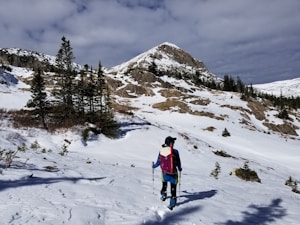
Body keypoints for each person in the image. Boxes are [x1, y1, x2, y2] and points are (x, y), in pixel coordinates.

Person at [152, 136, 182, 209]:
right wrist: (180, 168)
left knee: (164, 185)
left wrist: (154, 166)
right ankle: (172, 203)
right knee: (173, 188)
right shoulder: (175, 151)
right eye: (173, 142)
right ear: (171, 143)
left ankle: (163, 195)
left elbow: (158, 162)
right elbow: (178, 162)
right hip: (173, 173)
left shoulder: (161, 151)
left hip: (164, 173)